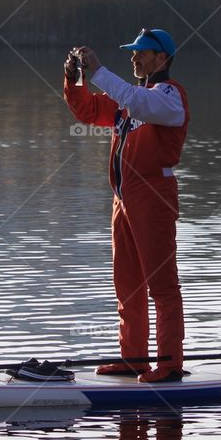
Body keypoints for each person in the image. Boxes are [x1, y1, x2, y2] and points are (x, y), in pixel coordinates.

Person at [63, 29, 190, 383]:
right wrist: (74, 80)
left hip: (153, 198)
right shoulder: (129, 99)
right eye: (132, 52)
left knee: (162, 286)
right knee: (128, 285)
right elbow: (87, 110)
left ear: (161, 58)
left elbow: (138, 102)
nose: (133, 57)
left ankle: (169, 364)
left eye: (142, 52)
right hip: (123, 199)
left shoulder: (169, 96)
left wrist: (100, 72)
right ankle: (133, 360)